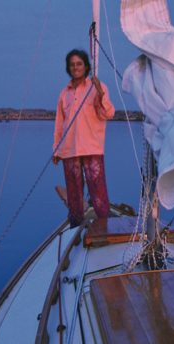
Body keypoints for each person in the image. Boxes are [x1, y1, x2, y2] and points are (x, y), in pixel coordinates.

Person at [52, 49, 115, 229]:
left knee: (99, 194)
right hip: (69, 150)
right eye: (72, 64)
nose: (75, 67)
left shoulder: (97, 87)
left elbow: (108, 114)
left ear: (86, 66)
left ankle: (104, 229)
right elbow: (59, 124)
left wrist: (100, 92)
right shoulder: (65, 93)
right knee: (73, 196)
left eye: (79, 64)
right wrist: (56, 149)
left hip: (92, 149)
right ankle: (75, 230)